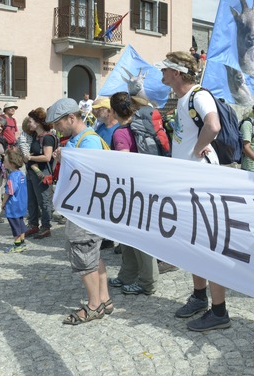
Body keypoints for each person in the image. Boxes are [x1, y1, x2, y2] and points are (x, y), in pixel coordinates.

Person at [158, 51, 231, 332]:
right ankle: (200, 297)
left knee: (207, 245)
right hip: (188, 180)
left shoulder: (198, 96)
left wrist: (199, 148)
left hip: (201, 180)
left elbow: (213, 125)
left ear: (176, 73)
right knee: (192, 243)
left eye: (165, 70)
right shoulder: (182, 99)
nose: (162, 74)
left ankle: (220, 310)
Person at [46, 98, 113, 324]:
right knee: (92, 253)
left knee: (83, 253)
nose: (56, 129)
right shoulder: (78, 140)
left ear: (71, 118)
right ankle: (104, 298)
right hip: (80, 208)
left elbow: (92, 176)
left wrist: (66, 159)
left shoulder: (89, 141)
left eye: (58, 124)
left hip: (85, 209)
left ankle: (94, 305)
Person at [105, 92, 159, 296]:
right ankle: (127, 275)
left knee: (140, 238)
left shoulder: (120, 133)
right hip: (145, 188)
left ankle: (147, 282)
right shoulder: (141, 126)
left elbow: (123, 164)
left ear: (113, 111)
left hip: (132, 192)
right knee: (126, 236)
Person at [24, 108, 56, 239]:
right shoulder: (36, 136)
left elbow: (47, 157)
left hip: (42, 174)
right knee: (31, 201)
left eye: (30, 121)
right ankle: (33, 225)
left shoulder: (47, 138)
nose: (28, 123)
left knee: (44, 201)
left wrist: (30, 158)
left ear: (37, 122)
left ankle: (46, 226)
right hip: (32, 172)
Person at [2, 148, 28, 253]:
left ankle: (17, 245)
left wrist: (3, 203)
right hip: (22, 203)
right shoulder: (21, 174)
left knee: (15, 226)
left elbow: (10, 191)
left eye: (5, 161)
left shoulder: (12, 176)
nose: (3, 163)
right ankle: (22, 242)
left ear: (11, 163)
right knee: (21, 223)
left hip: (13, 205)